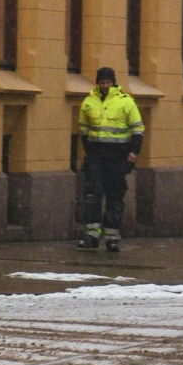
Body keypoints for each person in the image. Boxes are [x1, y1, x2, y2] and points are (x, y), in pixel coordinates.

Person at [76, 65, 143, 252]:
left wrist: (133, 152)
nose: (105, 85)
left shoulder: (126, 102)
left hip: (117, 158)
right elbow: (83, 127)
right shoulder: (89, 101)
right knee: (92, 196)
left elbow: (137, 129)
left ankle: (112, 236)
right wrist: (89, 149)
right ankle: (92, 234)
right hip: (96, 157)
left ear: (113, 83)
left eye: (108, 82)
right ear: (98, 83)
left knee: (115, 197)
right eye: (102, 82)